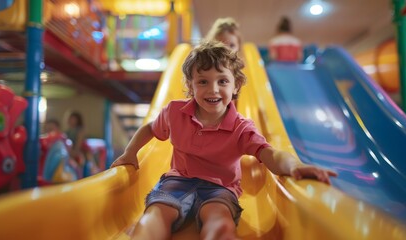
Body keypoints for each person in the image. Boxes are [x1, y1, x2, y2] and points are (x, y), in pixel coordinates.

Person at [111, 41, 337, 239]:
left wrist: (295, 165)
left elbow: (269, 154)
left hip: (220, 188)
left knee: (219, 221)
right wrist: (129, 153)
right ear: (190, 85)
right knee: (155, 215)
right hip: (177, 180)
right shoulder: (175, 112)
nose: (213, 89)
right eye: (202, 82)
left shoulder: (241, 128)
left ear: (236, 85)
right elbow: (150, 128)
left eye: (222, 81)